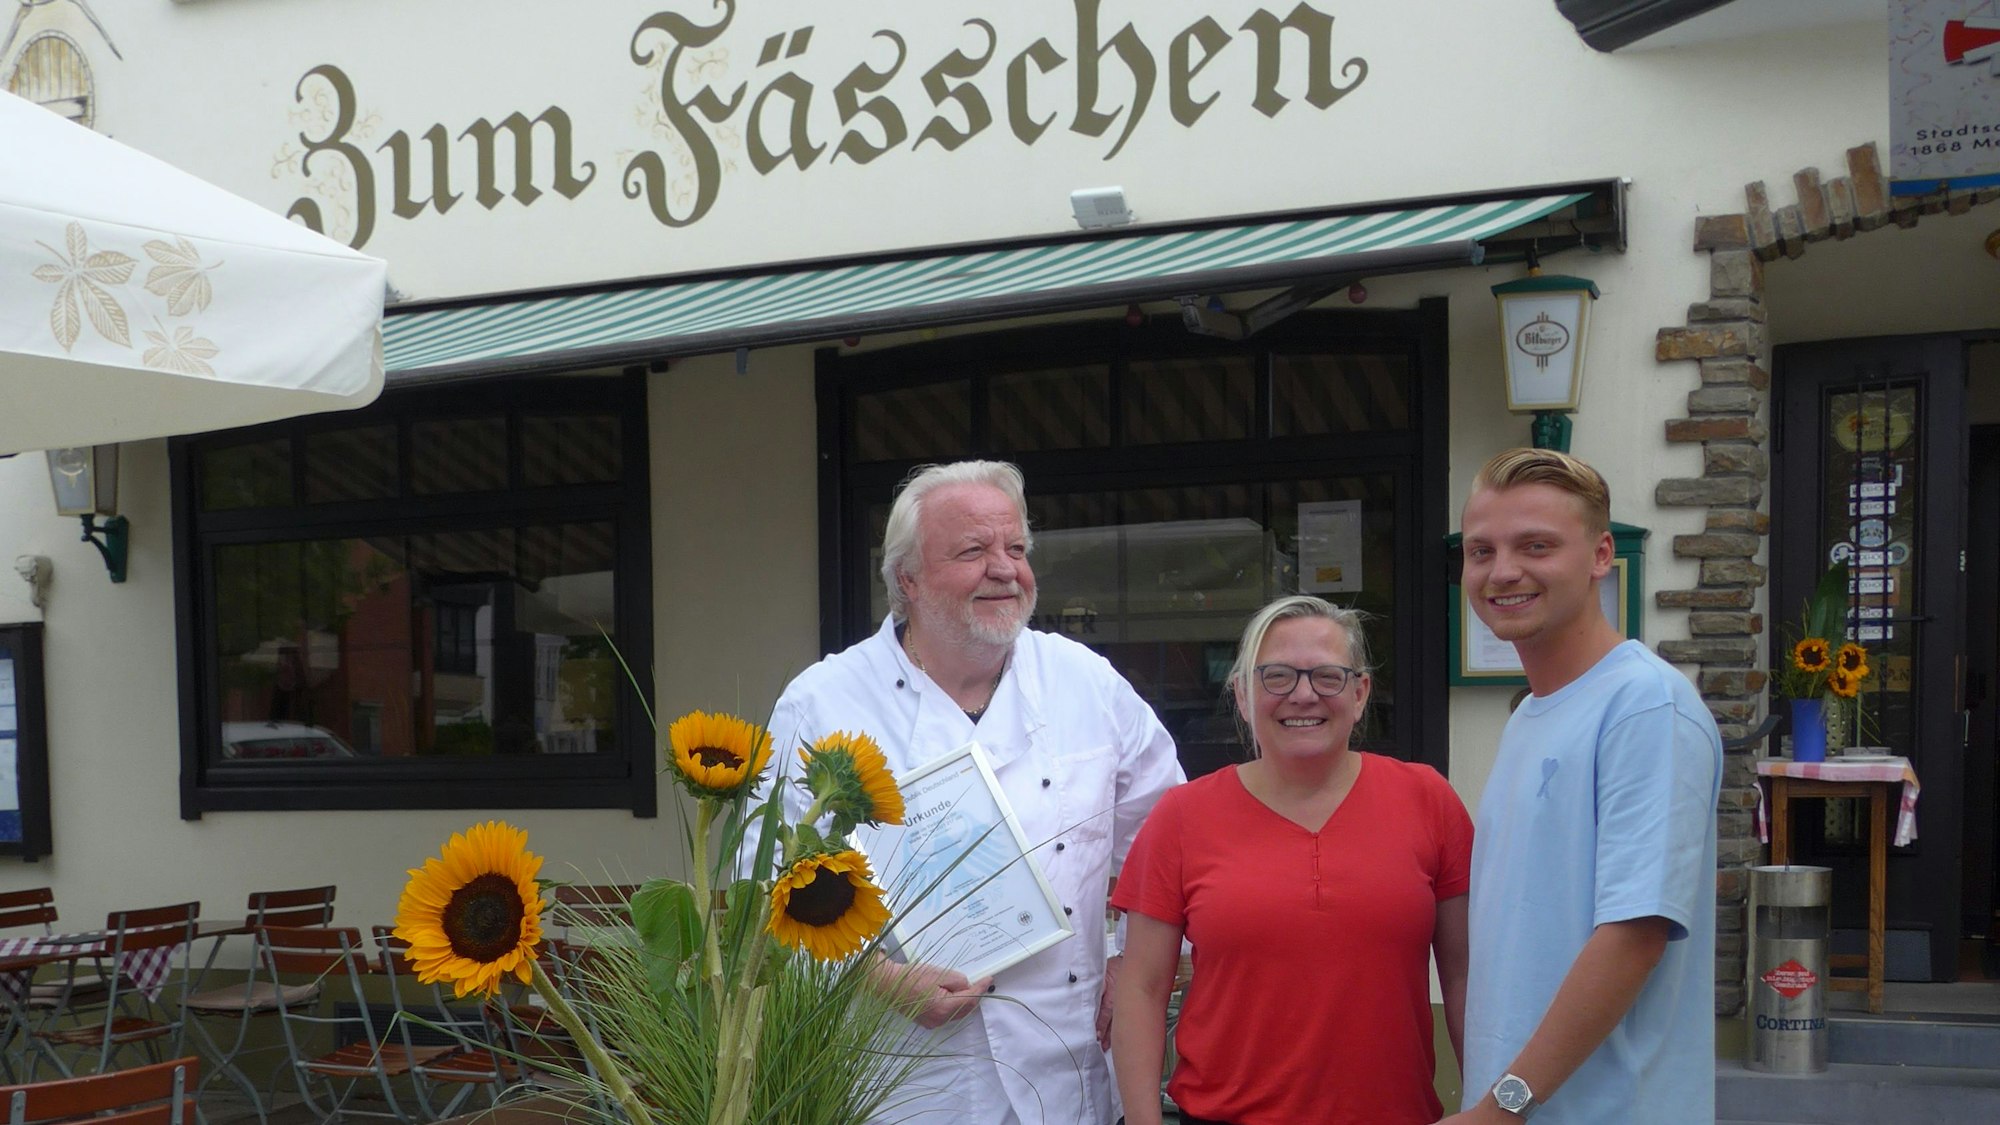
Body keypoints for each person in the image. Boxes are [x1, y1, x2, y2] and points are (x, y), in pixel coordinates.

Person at [765, 459, 1184, 1125]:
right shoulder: (822, 702)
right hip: (900, 1077)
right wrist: (881, 980)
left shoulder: (1088, 684)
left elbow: (1171, 846)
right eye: (973, 550)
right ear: (907, 579)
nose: (1005, 568)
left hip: (1067, 1067)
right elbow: (766, 886)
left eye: (1016, 548)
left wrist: (1135, 962)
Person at [1109, 594, 1472, 1125]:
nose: (1303, 696)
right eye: (1276, 677)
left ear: (1361, 692)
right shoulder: (1183, 816)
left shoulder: (1427, 799)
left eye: (1327, 676)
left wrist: (1491, 1105)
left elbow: (1466, 976)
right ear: (1241, 693)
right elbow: (1141, 988)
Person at [1444, 448, 1722, 1125]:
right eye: (1481, 550)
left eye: (1536, 545)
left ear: (1602, 555)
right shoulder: (1535, 713)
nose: (1502, 570)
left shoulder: (1645, 705)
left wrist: (1502, 1105)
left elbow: (1634, 934)